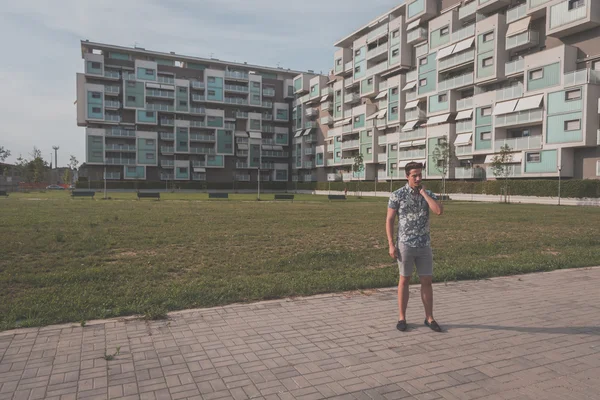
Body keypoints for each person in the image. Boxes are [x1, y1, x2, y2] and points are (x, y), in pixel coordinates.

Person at [385, 162, 444, 332]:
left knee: (427, 280)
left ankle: (429, 317)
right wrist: (391, 244)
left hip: (424, 245)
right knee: (405, 280)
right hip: (405, 245)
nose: (418, 178)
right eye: (414, 175)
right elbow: (389, 220)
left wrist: (424, 194)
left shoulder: (429, 194)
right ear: (407, 176)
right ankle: (402, 317)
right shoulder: (397, 195)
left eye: (420, 175)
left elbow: (438, 211)